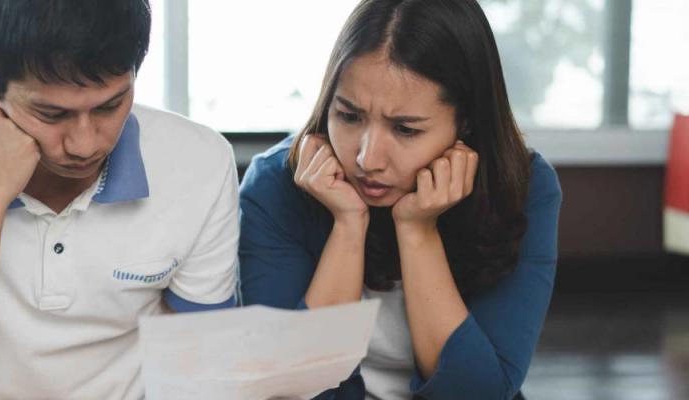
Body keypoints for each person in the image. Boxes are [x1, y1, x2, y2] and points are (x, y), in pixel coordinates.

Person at [0, 1, 239, 398]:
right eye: (51, 114)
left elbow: (206, 366)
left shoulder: (200, 160)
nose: (84, 144)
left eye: (110, 106)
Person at [238, 0, 561, 398]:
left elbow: (478, 393)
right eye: (349, 117)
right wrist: (348, 227)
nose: (366, 159)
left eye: (406, 129)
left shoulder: (522, 188)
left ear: (467, 122)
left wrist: (417, 232)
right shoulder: (276, 185)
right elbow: (288, 389)